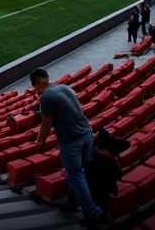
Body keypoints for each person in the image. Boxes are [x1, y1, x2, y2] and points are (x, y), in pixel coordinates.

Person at [32, 67, 104, 229]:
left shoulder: (46, 97)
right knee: (79, 172)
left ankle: (93, 213)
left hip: (72, 141)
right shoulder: (65, 87)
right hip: (86, 135)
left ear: (35, 84)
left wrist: (40, 142)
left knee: (76, 175)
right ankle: (72, 202)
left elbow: (46, 123)